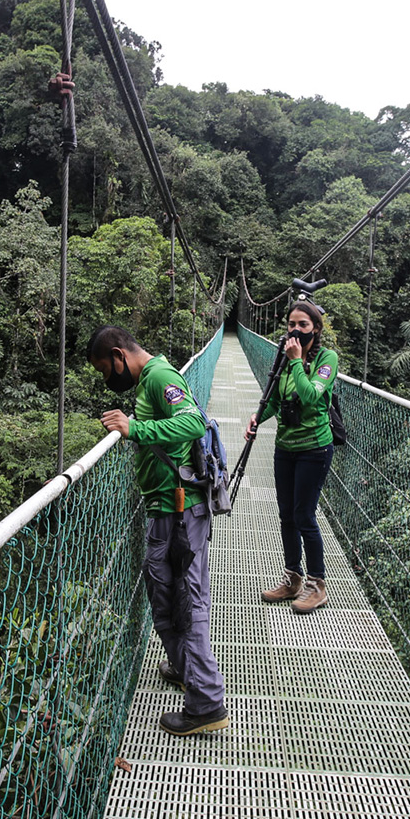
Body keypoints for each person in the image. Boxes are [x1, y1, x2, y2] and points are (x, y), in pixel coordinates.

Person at [86, 326, 228, 736]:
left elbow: (192, 425)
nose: (107, 379)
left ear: (119, 354)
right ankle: (187, 670)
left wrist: (135, 429)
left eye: (104, 370)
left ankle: (207, 704)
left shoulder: (162, 378)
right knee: (164, 593)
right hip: (166, 509)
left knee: (187, 602)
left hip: (179, 512)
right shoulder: (150, 380)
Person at [245, 298, 338, 614]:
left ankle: (317, 586)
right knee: (286, 515)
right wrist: (259, 418)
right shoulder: (284, 357)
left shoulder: (327, 359)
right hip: (285, 447)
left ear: (316, 328)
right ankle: (292, 579)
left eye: (303, 325)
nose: (295, 331)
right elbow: (278, 400)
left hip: (314, 448)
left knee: (304, 516)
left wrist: (296, 361)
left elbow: (311, 396)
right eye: (291, 325)